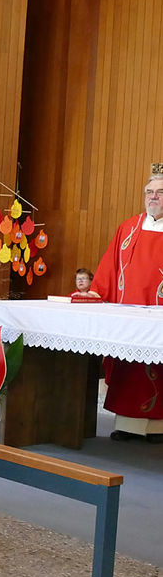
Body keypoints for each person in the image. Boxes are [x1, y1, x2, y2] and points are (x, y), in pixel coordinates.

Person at [86, 167, 163, 441]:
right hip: (128, 314)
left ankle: (158, 426)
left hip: (158, 317)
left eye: (160, 192)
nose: (153, 197)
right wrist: (97, 292)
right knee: (128, 365)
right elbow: (109, 267)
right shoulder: (128, 228)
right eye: (149, 192)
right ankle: (126, 424)